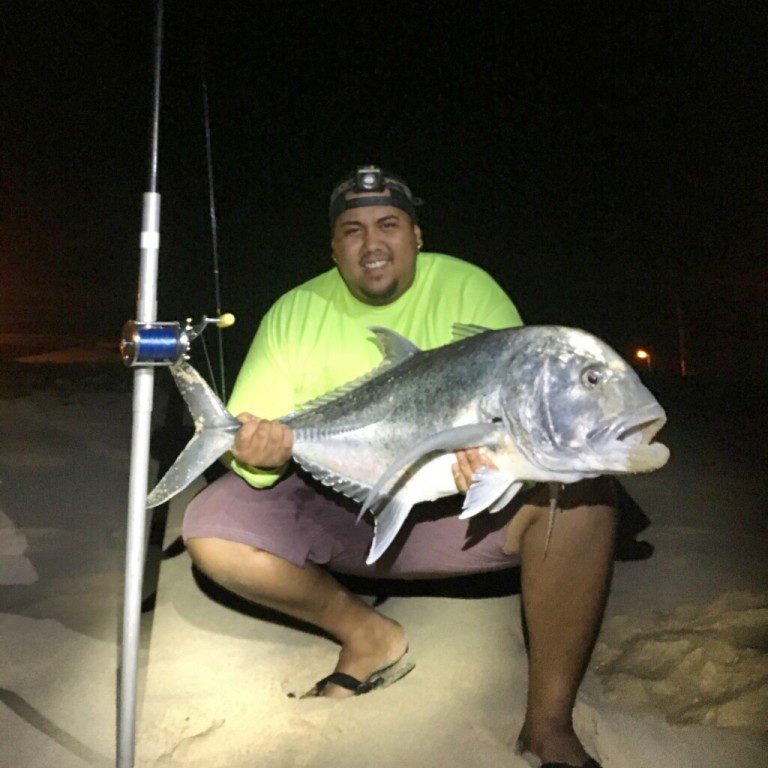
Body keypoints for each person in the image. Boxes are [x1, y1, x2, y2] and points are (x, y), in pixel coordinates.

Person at [183, 167, 615, 768]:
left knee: (588, 497)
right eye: (352, 230)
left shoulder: (469, 288)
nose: (372, 242)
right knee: (211, 522)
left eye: (388, 224)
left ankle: (548, 724)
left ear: (416, 236)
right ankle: (369, 637)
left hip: (459, 517)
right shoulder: (295, 311)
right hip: (340, 512)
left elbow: (527, 418)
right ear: (334, 248)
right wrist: (255, 453)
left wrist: (500, 468)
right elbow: (256, 467)